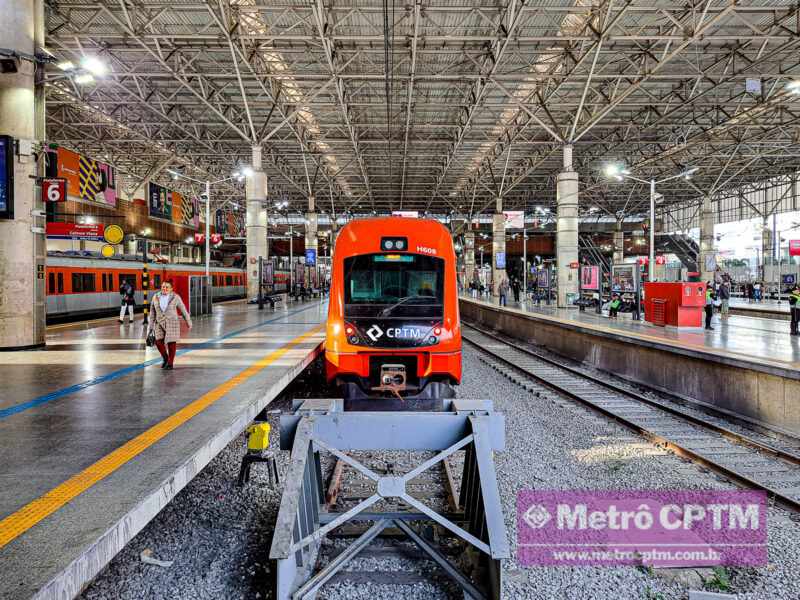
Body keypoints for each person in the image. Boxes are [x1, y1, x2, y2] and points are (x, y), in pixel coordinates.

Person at [147, 280, 192, 370]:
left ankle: (170, 363)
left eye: (167, 287)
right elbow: (152, 313)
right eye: (163, 286)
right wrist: (150, 327)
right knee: (158, 342)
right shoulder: (155, 297)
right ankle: (166, 358)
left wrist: (188, 321)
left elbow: (183, 309)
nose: (165, 288)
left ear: (171, 289)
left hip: (172, 322)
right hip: (159, 322)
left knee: (171, 343)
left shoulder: (175, 297)